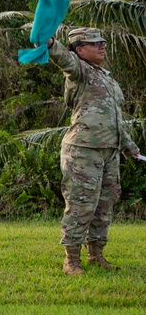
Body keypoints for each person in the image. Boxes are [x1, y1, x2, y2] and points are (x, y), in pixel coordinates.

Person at [47, 28, 144, 274]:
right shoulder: (78, 70)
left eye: (102, 42)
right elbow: (61, 57)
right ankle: (71, 260)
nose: (102, 46)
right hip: (83, 151)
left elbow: (115, 120)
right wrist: (48, 41)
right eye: (94, 43)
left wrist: (129, 147)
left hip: (108, 152)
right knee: (81, 205)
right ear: (79, 50)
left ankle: (96, 255)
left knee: (104, 205)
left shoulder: (107, 78)